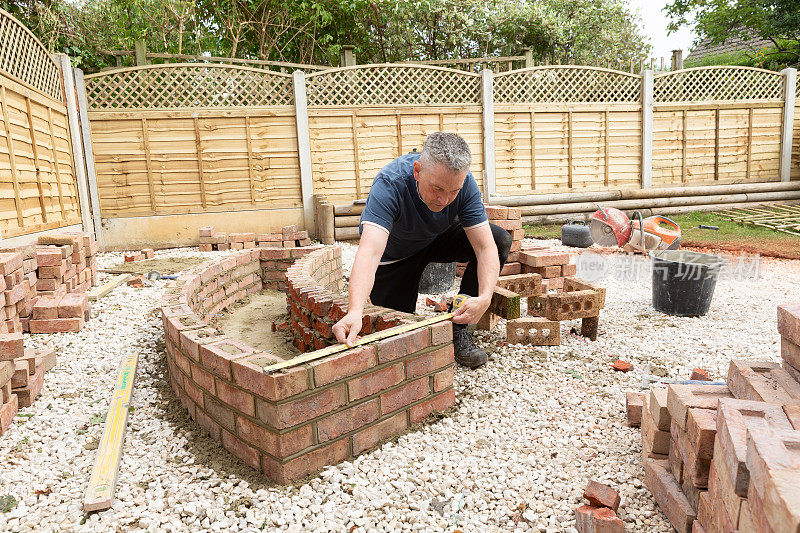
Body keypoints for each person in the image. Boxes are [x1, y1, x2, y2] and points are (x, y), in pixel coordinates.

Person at [331, 132, 511, 368]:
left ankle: (458, 328)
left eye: (453, 191)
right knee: (398, 335)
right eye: (437, 188)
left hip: (434, 240)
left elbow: (485, 246)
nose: (444, 200)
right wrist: (355, 310)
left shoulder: (464, 183)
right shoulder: (390, 184)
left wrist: (485, 297)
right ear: (417, 171)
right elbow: (370, 252)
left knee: (498, 239)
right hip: (395, 257)